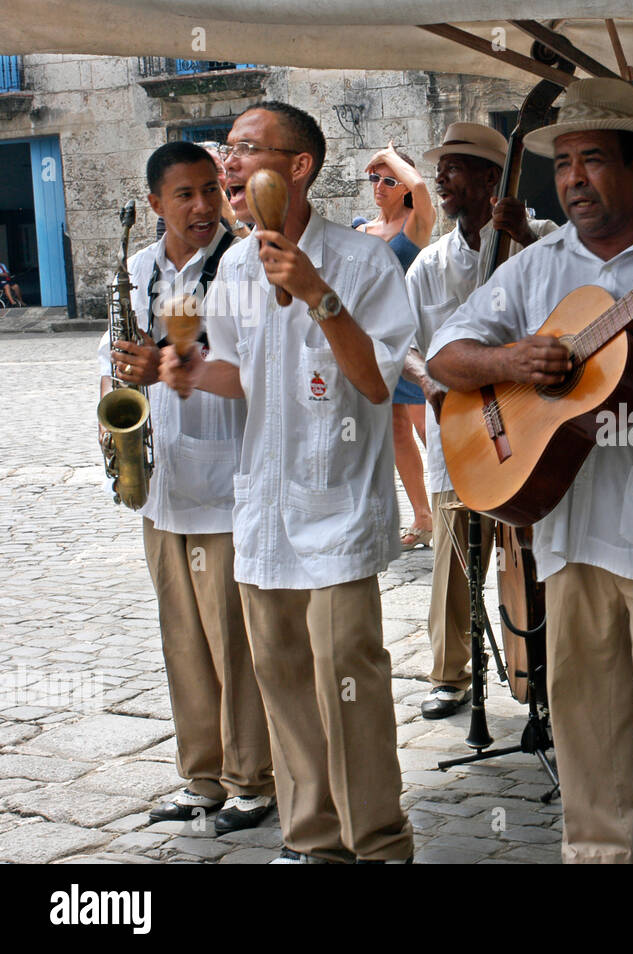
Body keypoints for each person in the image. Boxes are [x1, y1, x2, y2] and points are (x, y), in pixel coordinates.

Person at [427, 78, 633, 863]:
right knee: (583, 720)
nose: (574, 178)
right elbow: (446, 358)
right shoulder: (535, 266)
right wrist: (511, 358)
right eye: (566, 163)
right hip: (568, 526)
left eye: (592, 161)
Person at [160, 101, 415, 864]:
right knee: (285, 689)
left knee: (349, 688)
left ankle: (378, 843)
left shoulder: (364, 262)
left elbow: (377, 384)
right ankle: (314, 842)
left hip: (335, 514)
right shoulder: (234, 267)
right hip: (263, 516)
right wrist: (190, 370)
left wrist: (317, 293)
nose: (227, 164)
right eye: (226, 149)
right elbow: (247, 375)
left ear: (298, 167)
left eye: (245, 149)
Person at [97, 141, 274, 834]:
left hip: (225, 486)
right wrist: (114, 427)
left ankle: (253, 780)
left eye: (211, 189)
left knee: (236, 643)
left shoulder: (241, 268)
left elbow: (254, 366)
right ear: (155, 204)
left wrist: (170, 360)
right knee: (184, 643)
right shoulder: (137, 271)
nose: (203, 206)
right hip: (161, 487)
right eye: (185, 194)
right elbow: (110, 365)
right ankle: (201, 775)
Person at [404, 122, 557, 719]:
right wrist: (430, 380)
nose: (441, 179)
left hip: (528, 422)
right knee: (455, 553)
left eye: (454, 168)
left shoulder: (540, 241)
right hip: (461, 430)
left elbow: (571, 293)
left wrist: (521, 234)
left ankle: (540, 665)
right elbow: (404, 341)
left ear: (493, 177)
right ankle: (451, 673)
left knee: (533, 549)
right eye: (439, 169)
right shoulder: (430, 265)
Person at [355, 143, 437, 549]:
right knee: (396, 432)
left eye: (390, 180)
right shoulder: (360, 231)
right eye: (375, 178)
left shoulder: (414, 226)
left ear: (403, 185)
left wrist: (392, 157)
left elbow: (422, 188)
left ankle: (459, 502)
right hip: (374, 346)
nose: (381, 186)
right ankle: (423, 518)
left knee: (429, 428)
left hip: (410, 342)